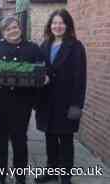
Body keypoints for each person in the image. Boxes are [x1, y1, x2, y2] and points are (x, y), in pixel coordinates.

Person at [0, 16, 44, 184]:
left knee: (19, 140)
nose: (12, 31)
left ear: (20, 28)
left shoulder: (32, 48)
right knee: (0, 139)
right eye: (8, 29)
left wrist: (44, 78)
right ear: (3, 32)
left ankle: (20, 177)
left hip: (22, 103)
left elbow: (44, 69)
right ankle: (0, 176)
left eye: (15, 27)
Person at [34, 9, 87, 184]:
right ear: (50, 25)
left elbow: (80, 77)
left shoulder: (76, 46)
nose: (57, 26)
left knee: (65, 140)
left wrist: (76, 105)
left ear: (67, 25)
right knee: (49, 137)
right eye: (54, 23)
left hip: (66, 102)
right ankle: (51, 171)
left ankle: (65, 177)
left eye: (61, 23)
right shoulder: (44, 45)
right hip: (47, 101)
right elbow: (40, 70)